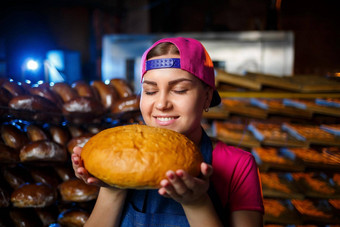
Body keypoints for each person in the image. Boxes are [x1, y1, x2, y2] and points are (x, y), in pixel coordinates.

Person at [71, 37, 264, 227]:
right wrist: (112, 187)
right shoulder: (120, 158)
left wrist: (197, 203)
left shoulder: (238, 165)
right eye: (150, 91)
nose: (162, 104)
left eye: (179, 90)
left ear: (206, 97)